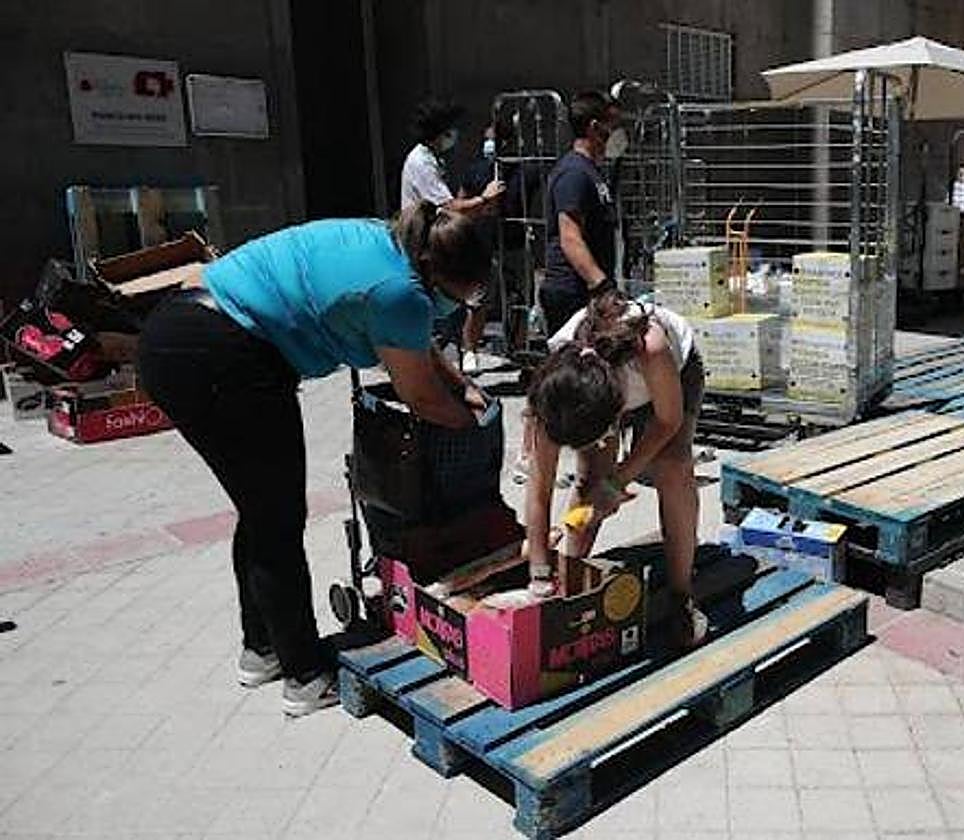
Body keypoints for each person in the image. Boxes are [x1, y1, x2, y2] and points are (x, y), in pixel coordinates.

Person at [136, 202, 491, 716]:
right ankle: (305, 675)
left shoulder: (392, 242)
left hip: (181, 332)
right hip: (224, 355)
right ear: (437, 275)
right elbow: (422, 397)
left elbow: (408, 336)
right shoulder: (402, 292)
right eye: (465, 296)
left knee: (261, 511)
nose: (462, 307)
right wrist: (476, 423)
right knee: (277, 518)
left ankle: (261, 650)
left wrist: (462, 383)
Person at [522, 290, 707, 649]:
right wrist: (540, 575)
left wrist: (618, 480)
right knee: (590, 477)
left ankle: (681, 594)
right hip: (603, 390)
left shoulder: (650, 346)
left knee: (672, 468)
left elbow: (667, 422)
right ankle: (568, 577)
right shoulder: (556, 387)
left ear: (612, 415)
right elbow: (539, 487)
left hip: (674, 375)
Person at [399, 99, 505, 372]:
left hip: (436, 239)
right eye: (451, 130)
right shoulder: (421, 162)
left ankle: (456, 350)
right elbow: (448, 206)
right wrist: (484, 199)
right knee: (471, 284)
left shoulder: (432, 159)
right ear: (440, 132)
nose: (455, 135)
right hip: (428, 242)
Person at [541, 91, 628, 335]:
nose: (618, 134)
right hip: (573, 292)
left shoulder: (592, 172)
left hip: (586, 291)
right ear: (594, 127)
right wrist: (601, 286)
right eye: (614, 126)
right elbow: (570, 238)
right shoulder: (574, 174)